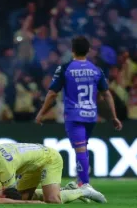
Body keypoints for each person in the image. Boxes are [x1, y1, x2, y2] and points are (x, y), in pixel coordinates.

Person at [35, 36, 123, 191]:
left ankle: (84, 184)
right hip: (91, 115)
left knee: (80, 149)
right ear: (88, 51)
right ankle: (80, 181)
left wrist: (41, 112)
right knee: (83, 148)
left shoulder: (65, 68)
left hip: (74, 115)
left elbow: (52, 93)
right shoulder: (96, 70)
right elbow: (107, 94)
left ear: (72, 50)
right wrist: (114, 116)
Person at [0, 143, 107, 204]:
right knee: (25, 197)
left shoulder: (2, 166)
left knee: (52, 200)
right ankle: (65, 189)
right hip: (30, 165)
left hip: (48, 159)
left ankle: (81, 190)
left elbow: (13, 196)